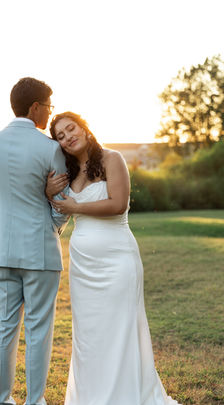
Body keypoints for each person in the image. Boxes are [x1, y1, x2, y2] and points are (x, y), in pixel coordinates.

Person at [46, 111, 181, 405]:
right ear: (59, 144)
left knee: (120, 328)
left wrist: (75, 207)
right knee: (90, 335)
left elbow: (118, 204)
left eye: (72, 129)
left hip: (118, 258)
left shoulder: (112, 159)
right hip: (83, 264)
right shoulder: (67, 173)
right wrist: (49, 193)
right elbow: (59, 212)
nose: (69, 136)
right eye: (61, 135)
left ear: (84, 128)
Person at [0, 77, 69, 405]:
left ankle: (0, 401)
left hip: (0, 250)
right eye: (49, 106)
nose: (50, 112)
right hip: (41, 250)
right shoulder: (51, 148)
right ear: (35, 107)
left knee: (3, 329)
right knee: (39, 329)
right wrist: (49, 227)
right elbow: (62, 202)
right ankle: (35, 401)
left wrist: (7, 223)